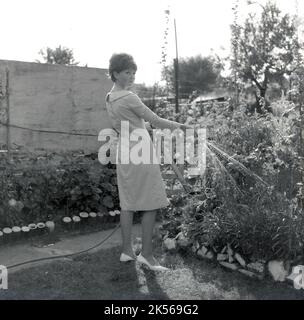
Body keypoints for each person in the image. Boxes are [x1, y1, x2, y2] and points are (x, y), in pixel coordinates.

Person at [105, 53, 192, 271]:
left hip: (125, 153)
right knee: (151, 202)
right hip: (141, 153)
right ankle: (147, 256)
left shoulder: (109, 98)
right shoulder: (129, 97)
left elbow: (129, 124)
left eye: (133, 72)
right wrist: (182, 127)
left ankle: (127, 251)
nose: (132, 76)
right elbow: (156, 120)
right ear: (115, 73)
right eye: (127, 72)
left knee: (128, 203)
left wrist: (144, 128)